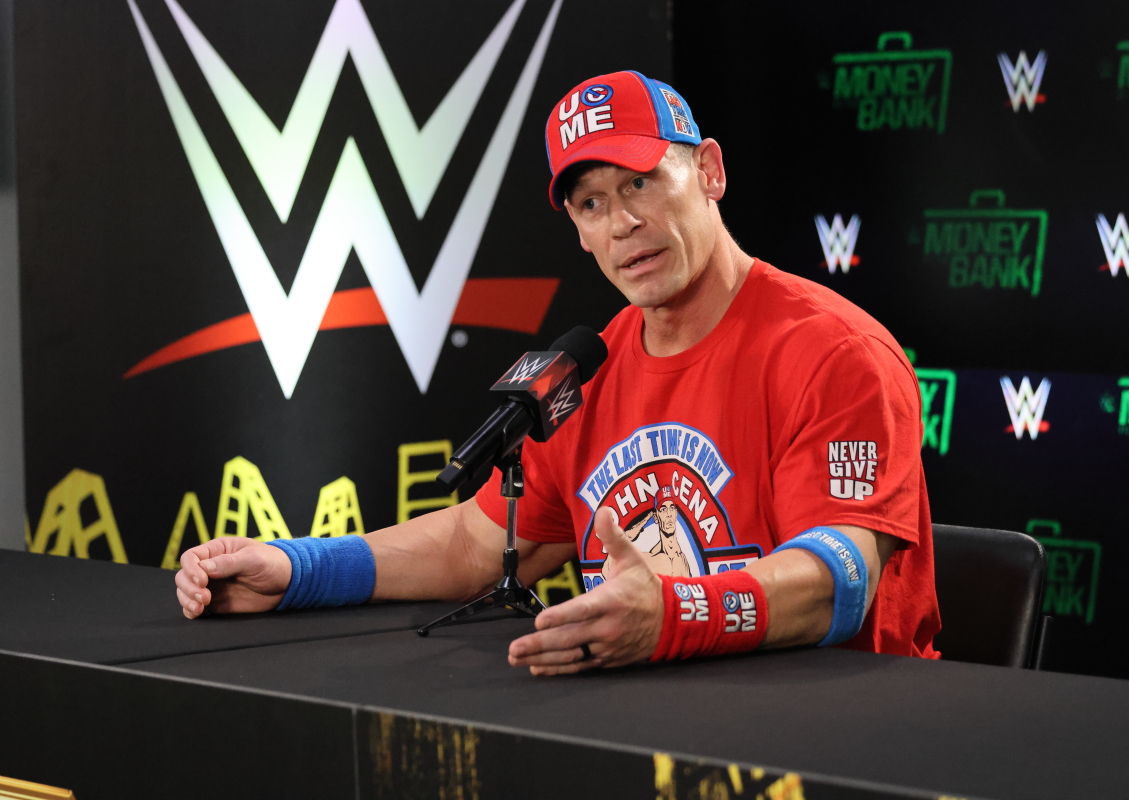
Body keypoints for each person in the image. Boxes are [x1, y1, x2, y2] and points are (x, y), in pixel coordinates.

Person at [174, 71, 940, 675]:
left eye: (641, 182)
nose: (622, 224)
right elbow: (478, 546)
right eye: (591, 202)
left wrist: (671, 616)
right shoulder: (590, 370)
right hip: (657, 725)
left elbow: (837, 584)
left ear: (708, 170)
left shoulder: (833, 353)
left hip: (837, 736)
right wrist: (296, 568)